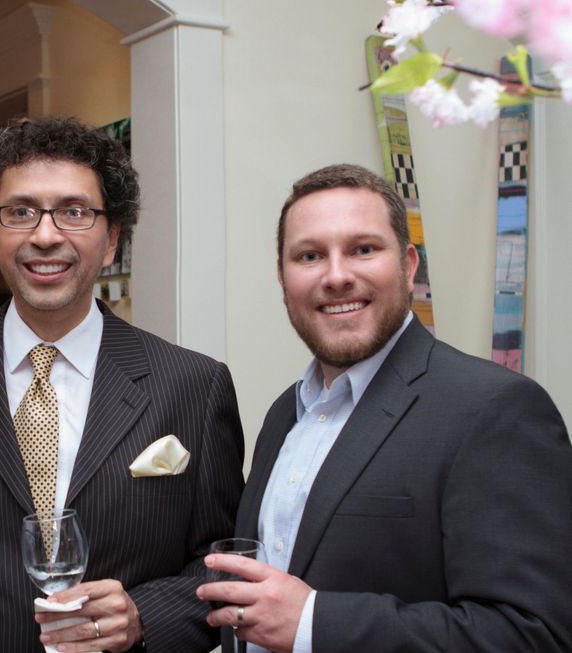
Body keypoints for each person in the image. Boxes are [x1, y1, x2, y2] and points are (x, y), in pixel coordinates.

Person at [0, 116, 245, 652]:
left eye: (74, 212)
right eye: (20, 212)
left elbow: (224, 563)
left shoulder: (194, 385)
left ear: (111, 238)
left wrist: (144, 615)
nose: (46, 236)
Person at [197, 163, 572, 652]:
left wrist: (315, 623)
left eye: (364, 250)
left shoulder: (495, 409)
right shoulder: (284, 414)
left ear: (409, 266)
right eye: (309, 255)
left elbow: (535, 635)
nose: (336, 276)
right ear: (283, 277)